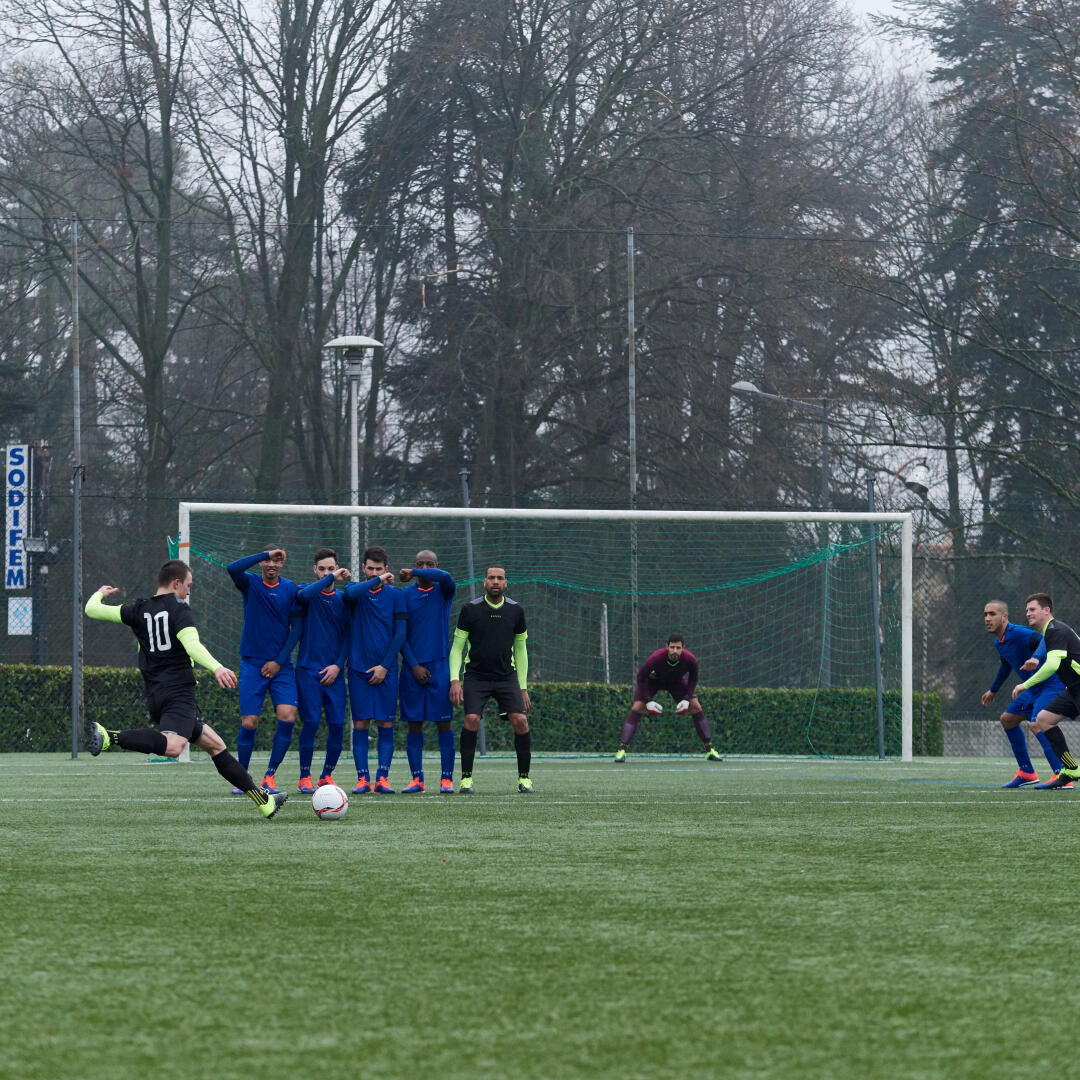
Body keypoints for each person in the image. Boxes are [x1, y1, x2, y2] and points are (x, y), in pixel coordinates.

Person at [82, 559, 287, 818]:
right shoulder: (179, 609)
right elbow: (192, 645)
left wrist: (100, 593)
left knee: (216, 745)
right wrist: (217, 668)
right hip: (178, 692)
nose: (189, 592)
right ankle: (110, 736)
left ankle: (263, 800)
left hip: (156, 694)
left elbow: (92, 610)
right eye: (188, 586)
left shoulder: (137, 608)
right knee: (173, 747)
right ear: (176, 583)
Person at [449, 565, 532, 793]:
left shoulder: (516, 611)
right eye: (491, 578)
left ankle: (524, 779)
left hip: (507, 677)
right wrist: (454, 680)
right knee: (471, 719)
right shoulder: (470, 609)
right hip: (476, 677)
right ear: (484, 582)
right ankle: (466, 779)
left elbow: (521, 649)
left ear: (506, 583)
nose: (496, 581)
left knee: (521, 721)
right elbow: (457, 648)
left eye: (500, 578)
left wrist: (523, 688)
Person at [226, 547, 302, 795]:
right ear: (261, 563)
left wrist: (279, 661)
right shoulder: (250, 583)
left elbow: (297, 629)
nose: (271, 564)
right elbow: (232, 568)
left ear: (282, 564)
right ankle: (242, 778)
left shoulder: (290, 588)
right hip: (252, 663)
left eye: (276, 561)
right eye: (268, 561)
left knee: (288, 716)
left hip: (281, 666)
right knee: (249, 722)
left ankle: (270, 776)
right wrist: (265, 553)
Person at [981, 598, 1067, 787]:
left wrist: (1036, 657)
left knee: (1037, 723)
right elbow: (1006, 665)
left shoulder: (1018, 633)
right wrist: (993, 690)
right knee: (1008, 719)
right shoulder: (999, 642)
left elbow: (1045, 639)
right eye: (985, 614)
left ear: (1004, 616)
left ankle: (1063, 774)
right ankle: (1027, 772)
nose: (987, 618)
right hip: (1034, 688)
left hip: (1052, 684)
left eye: (992, 614)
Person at [343, 546, 406, 793]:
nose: (374, 573)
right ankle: (363, 779)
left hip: (386, 670)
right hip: (358, 669)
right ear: (363, 568)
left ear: (386, 569)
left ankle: (382, 778)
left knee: (385, 724)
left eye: (379, 569)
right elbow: (350, 594)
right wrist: (377, 580)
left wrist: (385, 666)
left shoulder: (396, 595)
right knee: (360, 724)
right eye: (370, 569)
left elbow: (400, 634)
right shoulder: (355, 591)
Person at [292, 549, 352, 794]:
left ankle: (326, 775)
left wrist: (338, 665)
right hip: (308, 671)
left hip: (334, 673)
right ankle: (304, 776)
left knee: (337, 724)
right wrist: (330, 578)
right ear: (315, 570)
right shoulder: (306, 591)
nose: (328, 573)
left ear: (337, 568)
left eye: (332, 568)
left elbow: (348, 636)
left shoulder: (344, 599)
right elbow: (304, 595)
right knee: (311, 722)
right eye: (323, 569)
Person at [398, 550, 457, 794]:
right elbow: (400, 635)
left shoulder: (444, 590)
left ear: (437, 565)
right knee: (414, 724)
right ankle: (417, 779)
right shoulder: (404, 595)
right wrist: (413, 665)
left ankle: (446, 779)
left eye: (429, 564)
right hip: (412, 667)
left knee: (444, 723)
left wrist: (414, 572)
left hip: (440, 666)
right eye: (419, 564)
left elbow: (446, 576)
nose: (424, 568)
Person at [614, 634, 722, 762]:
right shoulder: (655, 658)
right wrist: (648, 701)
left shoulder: (691, 660)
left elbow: (693, 680)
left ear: (683, 648)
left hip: (676, 682)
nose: (675, 651)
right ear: (667, 647)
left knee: (695, 706)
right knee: (638, 707)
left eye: (678, 648)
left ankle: (710, 751)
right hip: (653, 681)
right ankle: (622, 751)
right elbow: (641, 677)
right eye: (672, 647)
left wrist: (686, 699)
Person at [1011, 592, 1080, 788]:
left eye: (1032, 609)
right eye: (1027, 610)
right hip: (1074, 689)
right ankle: (1071, 769)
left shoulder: (1055, 630)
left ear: (1046, 610)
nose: (1028, 613)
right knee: (1043, 720)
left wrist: (1025, 685)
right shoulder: (1050, 632)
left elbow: (1051, 665)